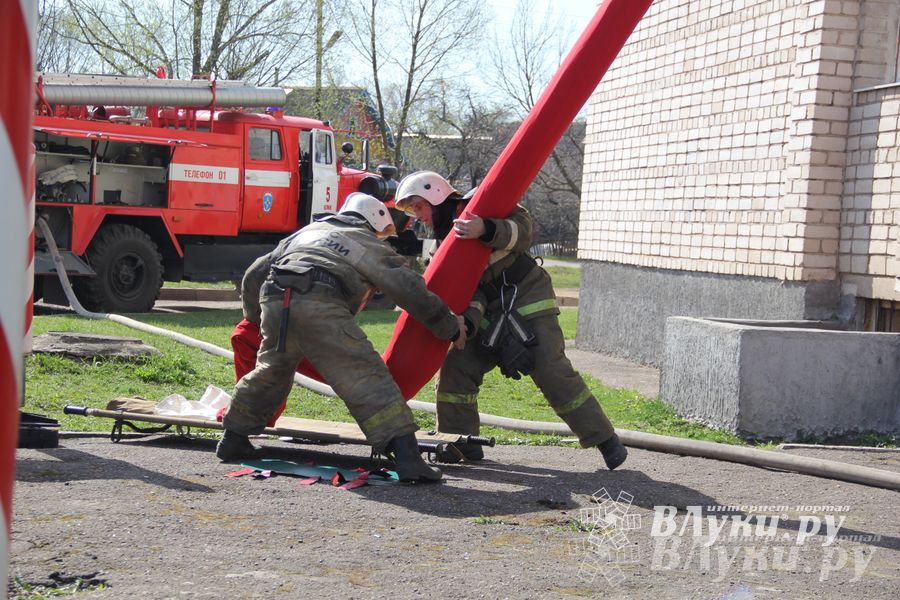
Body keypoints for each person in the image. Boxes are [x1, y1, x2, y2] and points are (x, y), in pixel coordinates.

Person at [217, 192, 467, 482]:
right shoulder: (364, 242)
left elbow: (254, 274)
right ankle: (409, 459)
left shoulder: (304, 234)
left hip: (276, 301)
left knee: (271, 371)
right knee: (366, 376)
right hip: (320, 301)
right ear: (374, 222)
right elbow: (407, 288)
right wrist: (448, 326)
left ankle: (233, 439)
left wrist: (254, 317)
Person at [394, 172, 628, 470]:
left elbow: (525, 230)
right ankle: (460, 442)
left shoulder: (486, 205)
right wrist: (467, 323)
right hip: (490, 315)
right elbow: (470, 290)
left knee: (549, 368)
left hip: (528, 300)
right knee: (456, 368)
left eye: (418, 207)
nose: (418, 218)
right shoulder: (443, 249)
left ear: (435, 195)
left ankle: (605, 440)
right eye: (413, 211)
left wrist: (486, 228)